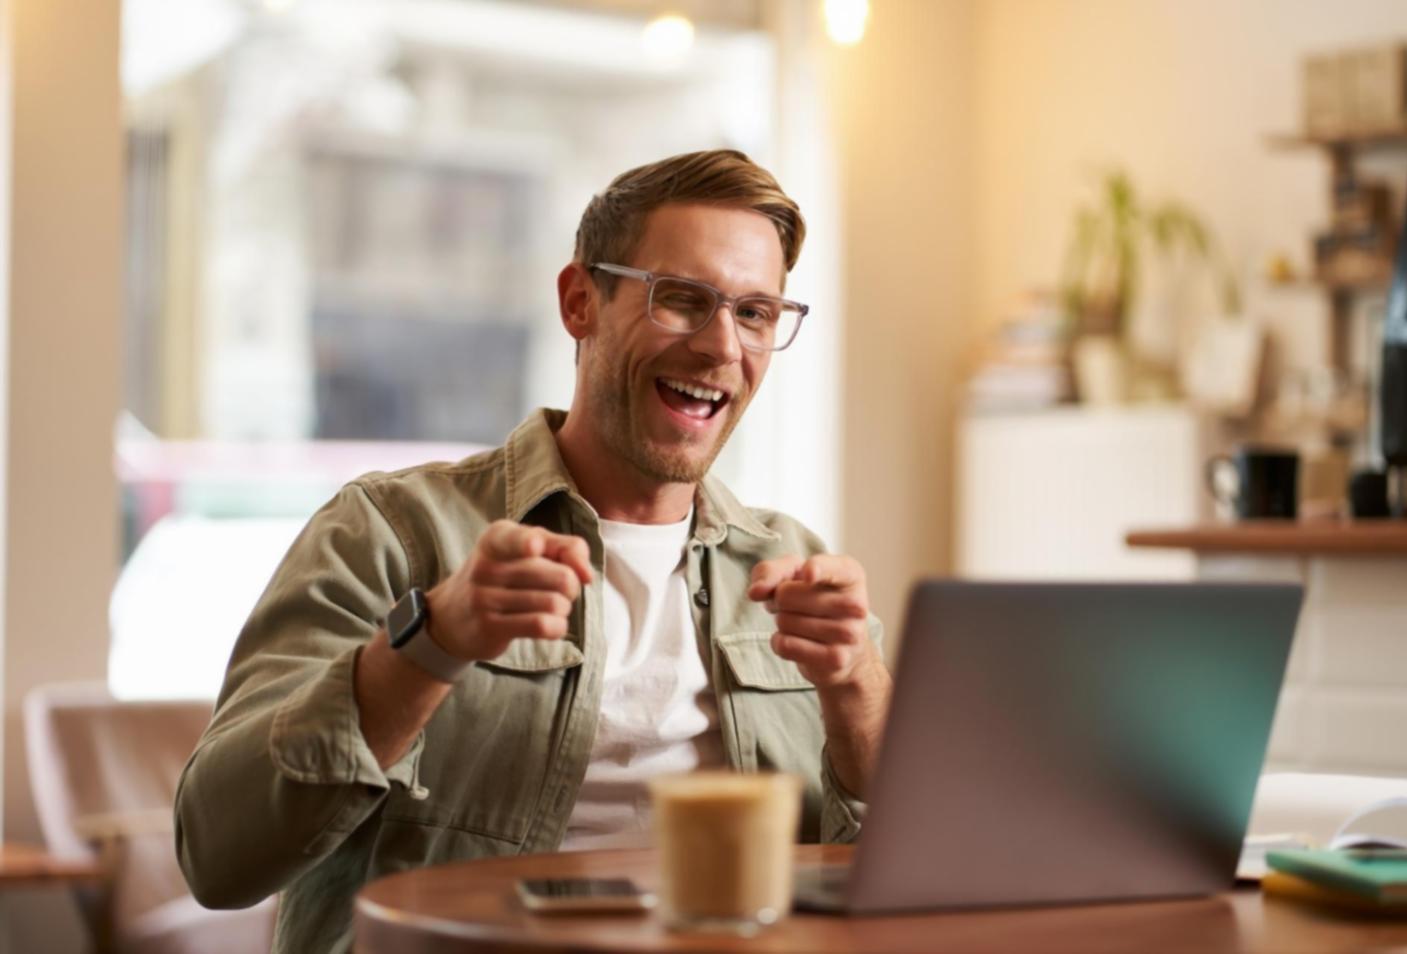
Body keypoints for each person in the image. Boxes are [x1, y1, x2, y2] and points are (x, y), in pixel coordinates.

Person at [174, 149, 893, 953]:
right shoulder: (389, 532)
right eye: (683, 300)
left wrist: (858, 685)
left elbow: (905, 877)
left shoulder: (793, 561)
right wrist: (429, 645)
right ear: (581, 301)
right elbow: (218, 857)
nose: (723, 347)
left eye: (756, 313)